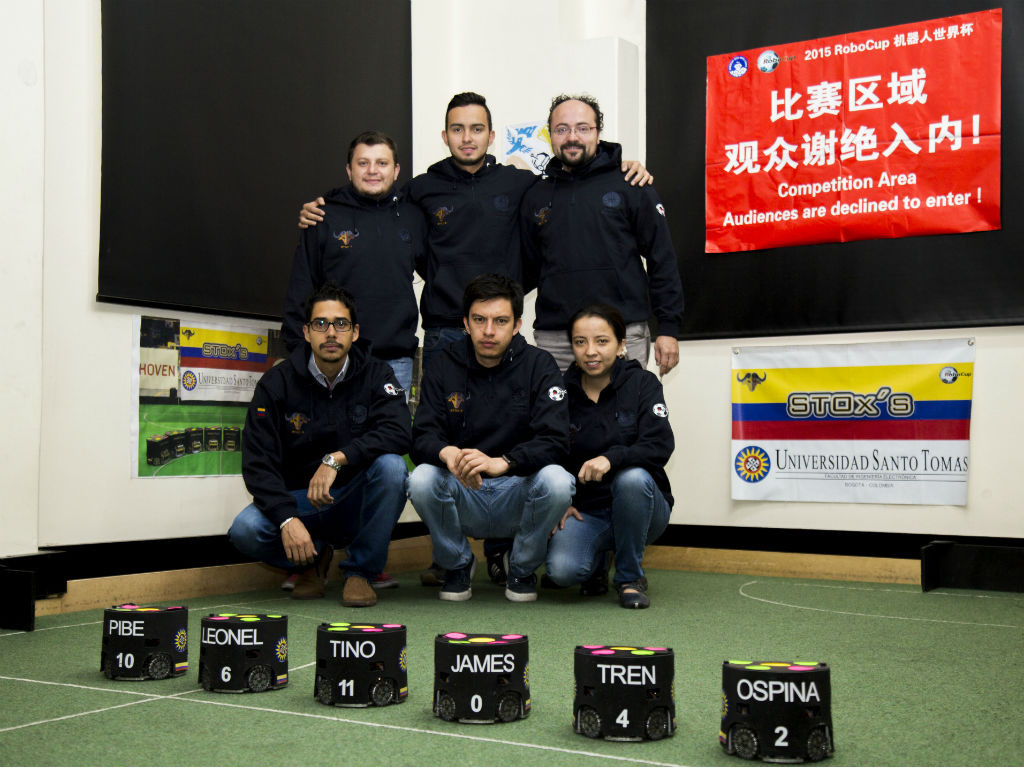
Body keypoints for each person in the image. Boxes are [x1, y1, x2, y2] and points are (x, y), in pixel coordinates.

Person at [298, 93, 651, 587]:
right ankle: (451, 557)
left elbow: (574, 182)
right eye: (457, 129)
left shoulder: (522, 185)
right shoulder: (420, 191)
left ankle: (511, 552)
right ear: (445, 136)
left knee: (506, 431)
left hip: (497, 328)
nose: (467, 137)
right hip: (443, 331)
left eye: (477, 128)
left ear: (491, 134)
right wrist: (323, 207)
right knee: (441, 444)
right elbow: (372, 207)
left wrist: (624, 163)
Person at [229, 282, 411, 607]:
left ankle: (360, 572)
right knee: (245, 529)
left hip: (353, 497)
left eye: (340, 324)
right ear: (306, 332)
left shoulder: (376, 373)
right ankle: (312, 560)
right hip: (302, 504)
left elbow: (399, 431)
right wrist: (287, 518)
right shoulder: (276, 384)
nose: (331, 333)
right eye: (320, 324)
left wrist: (337, 459)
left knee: (393, 468)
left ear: (354, 332)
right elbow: (258, 464)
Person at [406, 273, 574, 602]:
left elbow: (556, 441)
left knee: (558, 480)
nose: (488, 331)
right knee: (421, 477)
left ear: (517, 325)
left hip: (517, 490)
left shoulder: (540, 365)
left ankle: (522, 568)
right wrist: (447, 453)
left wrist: (505, 462)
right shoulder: (442, 365)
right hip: (464, 488)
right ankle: (457, 564)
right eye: (479, 320)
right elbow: (421, 436)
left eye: (500, 321)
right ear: (465, 323)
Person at [521, 94, 684, 376]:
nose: (572, 136)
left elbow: (662, 258)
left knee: (624, 418)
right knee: (555, 420)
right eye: (562, 129)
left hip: (621, 333)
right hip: (555, 339)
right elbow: (524, 269)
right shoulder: (536, 195)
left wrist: (668, 328)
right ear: (550, 135)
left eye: (583, 128)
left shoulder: (632, 184)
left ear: (598, 133)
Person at [544, 304, 674, 609]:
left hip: (642, 505)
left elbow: (660, 444)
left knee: (631, 477)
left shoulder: (643, 384)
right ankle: (597, 563)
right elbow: (548, 449)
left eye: (602, 341)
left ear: (621, 345)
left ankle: (630, 577)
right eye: (580, 342)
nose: (590, 351)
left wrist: (613, 458)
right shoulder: (558, 392)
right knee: (561, 572)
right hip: (588, 511)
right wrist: (560, 500)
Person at [282, 131, 426, 394]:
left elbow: (440, 268)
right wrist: (300, 353)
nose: (372, 171)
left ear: (396, 171)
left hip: (396, 360)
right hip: (335, 356)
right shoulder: (323, 216)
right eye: (363, 163)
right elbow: (301, 288)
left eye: (382, 163)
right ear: (349, 170)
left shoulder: (413, 216)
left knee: (392, 435)